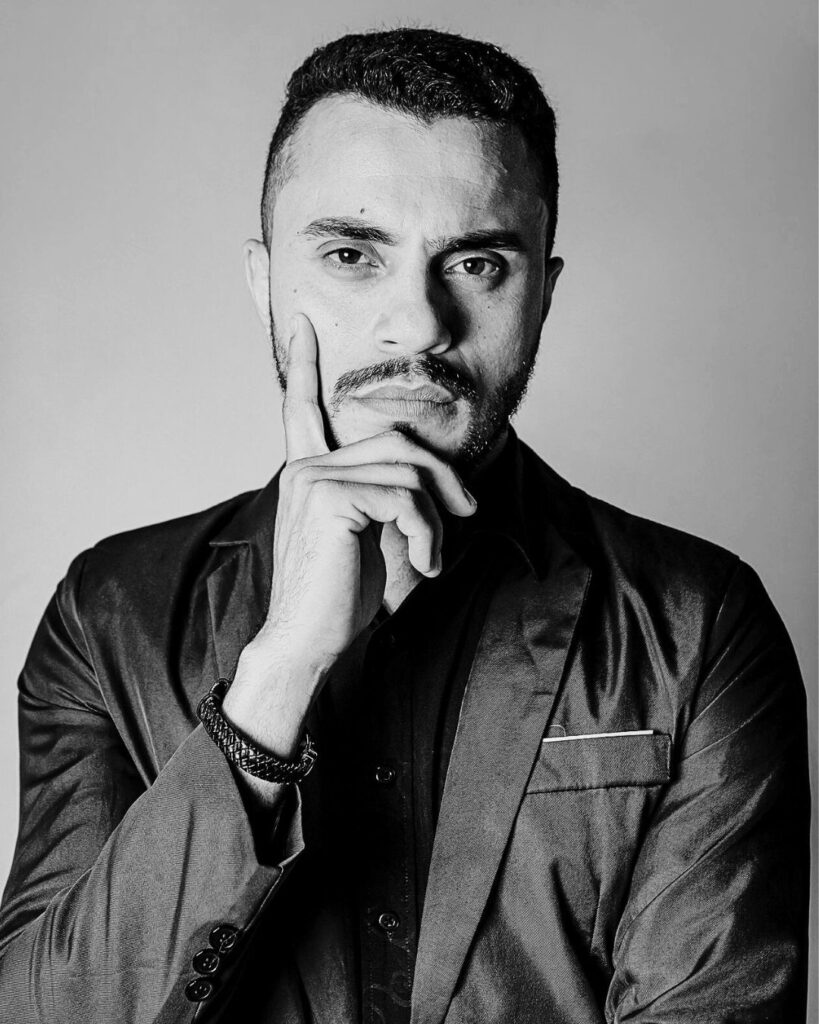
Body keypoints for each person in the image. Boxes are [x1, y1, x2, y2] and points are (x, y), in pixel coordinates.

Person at [0, 26, 809, 1024]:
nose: (419, 324)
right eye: (350, 254)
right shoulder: (110, 613)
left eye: (477, 263)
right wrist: (276, 678)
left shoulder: (696, 622)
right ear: (264, 280)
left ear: (543, 294)